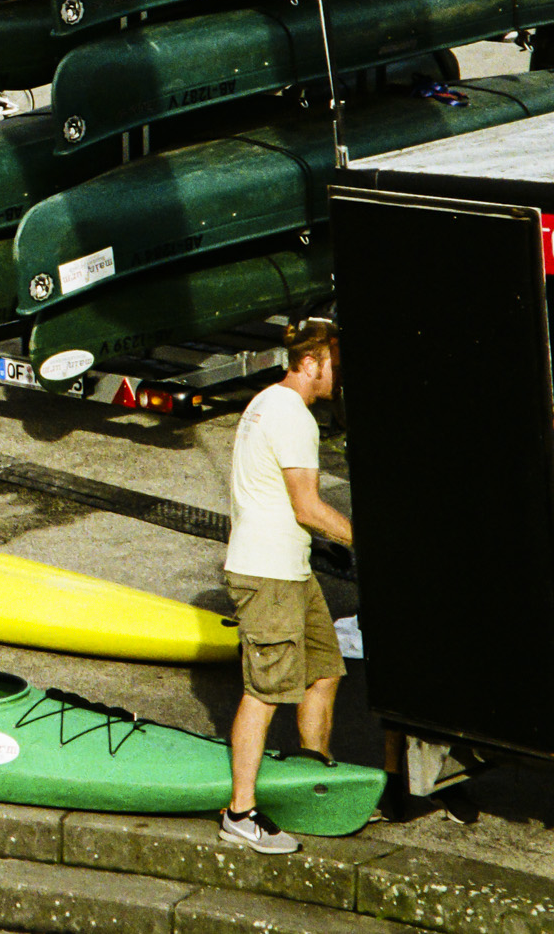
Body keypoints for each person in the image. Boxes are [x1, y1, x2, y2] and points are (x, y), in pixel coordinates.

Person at [221, 319, 355, 854]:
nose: (339, 375)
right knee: (265, 692)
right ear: (310, 363)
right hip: (268, 573)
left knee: (324, 671)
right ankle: (240, 813)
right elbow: (308, 508)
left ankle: (310, 786)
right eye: (334, 365)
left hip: (291, 569)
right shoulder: (295, 417)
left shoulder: (265, 402)